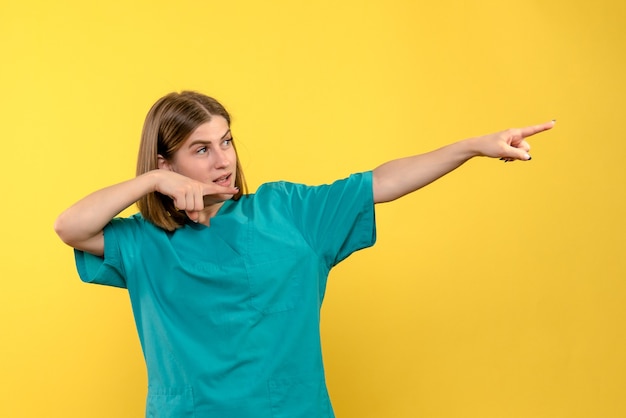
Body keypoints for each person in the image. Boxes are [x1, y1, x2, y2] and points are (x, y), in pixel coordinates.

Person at [54, 91, 555, 417]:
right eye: (201, 149)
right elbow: (69, 226)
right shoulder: (143, 242)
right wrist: (152, 181)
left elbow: (380, 182)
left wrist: (468, 147)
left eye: (226, 141)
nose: (224, 159)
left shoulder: (289, 213)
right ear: (169, 161)